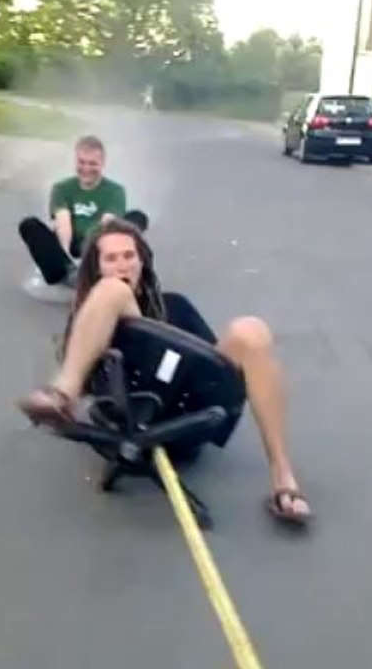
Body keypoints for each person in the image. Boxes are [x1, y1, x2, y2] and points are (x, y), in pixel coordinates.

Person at [17, 218, 312, 525]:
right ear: (97, 268)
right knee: (112, 292)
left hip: (186, 419)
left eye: (129, 256)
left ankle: (283, 476)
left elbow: (214, 369)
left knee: (251, 330)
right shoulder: (93, 311)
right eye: (111, 258)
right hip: (126, 411)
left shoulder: (176, 307)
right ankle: (62, 394)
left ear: (142, 262)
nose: (122, 265)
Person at [18, 135, 148, 287]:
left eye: (92, 163)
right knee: (29, 225)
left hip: (98, 244)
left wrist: (93, 258)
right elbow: (63, 222)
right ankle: (66, 273)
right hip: (71, 243)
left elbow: (107, 225)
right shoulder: (61, 188)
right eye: (82, 162)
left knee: (137, 217)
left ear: (102, 163)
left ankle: (105, 270)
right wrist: (65, 255)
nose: (86, 169)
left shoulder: (115, 190)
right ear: (76, 161)